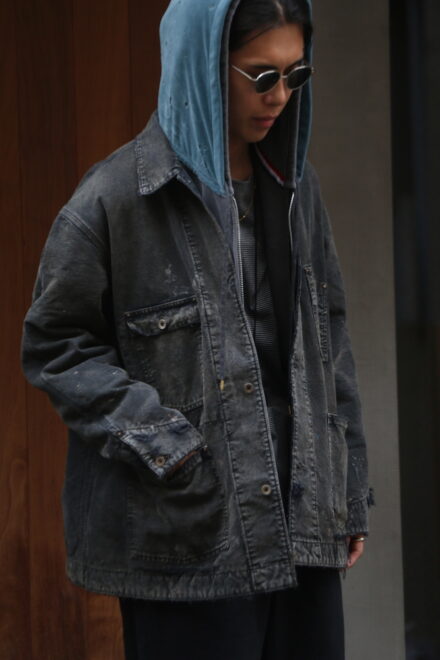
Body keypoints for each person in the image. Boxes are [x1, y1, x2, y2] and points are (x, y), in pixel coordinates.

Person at [22, 0, 373, 658]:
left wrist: (347, 491)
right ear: (201, 66)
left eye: (295, 75)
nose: (280, 97)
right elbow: (58, 347)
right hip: (188, 531)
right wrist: (169, 450)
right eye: (261, 76)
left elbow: (329, 340)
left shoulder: (297, 191)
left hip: (302, 520)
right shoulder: (115, 197)